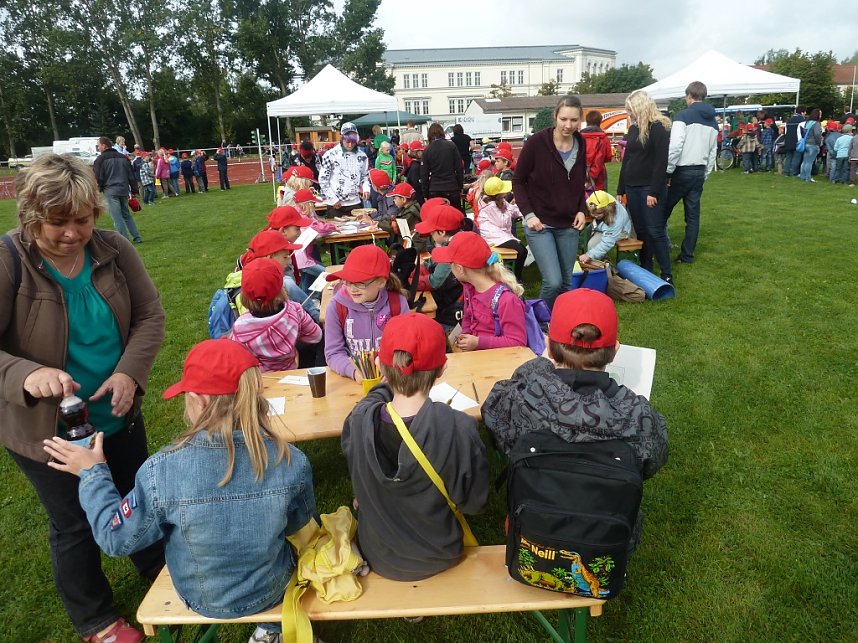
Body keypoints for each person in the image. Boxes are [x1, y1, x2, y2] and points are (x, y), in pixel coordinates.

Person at [43, 338, 317, 643]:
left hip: (200, 595)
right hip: (270, 588)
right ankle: (274, 630)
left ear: (197, 401)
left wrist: (92, 473)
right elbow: (299, 523)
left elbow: (114, 538)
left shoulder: (161, 471)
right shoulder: (291, 460)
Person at [1, 154, 166, 643]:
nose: (73, 233)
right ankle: (96, 619)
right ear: (31, 216)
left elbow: (150, 316)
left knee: (138, 497)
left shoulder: (113, 249)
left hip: (115, 413)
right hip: (46, 430)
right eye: (58, 223)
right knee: (74, 523)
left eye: (83, 219)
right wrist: (27, 375)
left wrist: (128, 375)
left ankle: (157, 566)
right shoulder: (9, 260)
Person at [481, 288, 668, 549]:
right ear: (615, 351)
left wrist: (540, 365)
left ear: (548, 345)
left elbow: (493, 419)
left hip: (534, 533)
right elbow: (652, 464)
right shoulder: (641, 417)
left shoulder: (517, 399)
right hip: (606, 540)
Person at [341, 313, 489, 581]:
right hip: (438, 552)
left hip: (378, 554)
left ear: (379, 367)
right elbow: (474, 504)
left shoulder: (358, 420)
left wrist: (385, 387)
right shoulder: (458, 427)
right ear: (442, 370)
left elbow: (371, 400)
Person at [512, 95, 588, 308]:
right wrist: (529, 215)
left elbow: (579, 183)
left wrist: (582, 210)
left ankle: (560, 323)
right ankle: (540, 321)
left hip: (569, 225)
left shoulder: (580, 143)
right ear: (555, 116)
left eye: (573, 120)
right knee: (553, 282)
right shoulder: (537, 143)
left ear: (580, 120)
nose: (568, 125)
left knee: (566, 283)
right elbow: (518, 181)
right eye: (564, 119)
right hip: (541, 224)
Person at [323, 245, 409, 382]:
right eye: (348, 282)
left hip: (393, 379)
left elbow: (406, 346)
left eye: (360, 283)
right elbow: (333, 352)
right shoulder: (336, 306)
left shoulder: (398, 303)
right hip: (353, 382)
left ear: (381, 282)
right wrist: (353, 372)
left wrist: (394, 368)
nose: (352, 289)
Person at [431, 231, 526, 352]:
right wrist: (465, 335)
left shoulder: (506, 300)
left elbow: (518, 342)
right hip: (476, 355)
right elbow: (467, 318)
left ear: (460, 269)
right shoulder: (469, 288)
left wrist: (478, 342)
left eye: (451, 264)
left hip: (499, 362)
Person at [616, 90, 673, 285]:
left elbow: (661, 162)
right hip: (632, 187)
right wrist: (620, 189)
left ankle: (666, 272)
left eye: (630, 110)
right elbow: (627, 160)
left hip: (649, 188)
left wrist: (654, 192)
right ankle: (646, 267)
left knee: (655, 230)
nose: (628, 114)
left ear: (639, 107)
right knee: (640, 230)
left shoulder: (659, 128)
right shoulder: (633, 129)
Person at [229, 258, 322, 372]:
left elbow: (237, 359)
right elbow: (316, 336)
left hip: (261, 381)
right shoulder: (294, 310)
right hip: (293, 372)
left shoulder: (240, 327)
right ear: (281, 287)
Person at [663, 81, 718, 265]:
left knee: (663, 211)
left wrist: (668, 170)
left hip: (681, 170)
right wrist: (706, 173)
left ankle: (657, 248)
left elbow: (676, 145)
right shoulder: (713, 122)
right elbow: (713, 151)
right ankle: (687, 255)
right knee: (693, 217)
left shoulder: (682, 116)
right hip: (699, 171)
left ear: (689, 96)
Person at [243, 227, 320, 325]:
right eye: (285, 257)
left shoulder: (248, 276)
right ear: (270, 257)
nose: (289, 261)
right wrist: (318, 317)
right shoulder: (285, 283)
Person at [414, 204, 466, 329]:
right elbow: (432, 263)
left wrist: (412, 280)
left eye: (432, 232)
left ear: (442, 232)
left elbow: (435, 281)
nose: (430, 235)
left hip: (451, 311)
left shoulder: (451, 249)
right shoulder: (458, 239)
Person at [92, 136, 143, 244]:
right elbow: (130, 175)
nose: (98, 147)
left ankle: (124, 240)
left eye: (98, 145)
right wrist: (134, 190)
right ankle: (137, 236)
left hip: (110, 190)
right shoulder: (123, 158)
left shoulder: (100, 160)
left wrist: (99, 188)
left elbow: (98, 176)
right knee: (126, 214)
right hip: (123, 189)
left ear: (103, 145)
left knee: (117, 216)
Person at [477, 176, 526, 280]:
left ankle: (515, 277)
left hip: (501, 234)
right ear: (498, 194)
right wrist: (509, 211)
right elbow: (502, 221)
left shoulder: (502, 202)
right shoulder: (490, 206)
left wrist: (524, 214)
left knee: (523, 251)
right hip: (493, 236)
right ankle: (514, 278)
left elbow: (513, 210)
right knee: (520, 251)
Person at [319, 122, 371, 217]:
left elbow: (365, 176)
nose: (350, 145)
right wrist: (333, 198)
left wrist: (366, 189)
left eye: (353, 141)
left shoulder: (362, 156)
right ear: (342, 138)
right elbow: (323, 179)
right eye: (347, 141)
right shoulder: (330, 155)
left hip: (355, 202)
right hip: (335, 204)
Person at [578, 190, 632, 265]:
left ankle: (597, 268)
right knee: (584, 234)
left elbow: (608, 242)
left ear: (607, 210)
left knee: (592, 245)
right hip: (602, 227)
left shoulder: (615, 219)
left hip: (621, 231)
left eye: (598, 214)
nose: (595, 216)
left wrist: (589, 255)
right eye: (592, 213)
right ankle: (602, 257)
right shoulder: (594, 200)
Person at [421, 122, 465, 212]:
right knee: (455, 218)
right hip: (451, 186)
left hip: (435, 188)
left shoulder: (427, 150)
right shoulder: (451, 146)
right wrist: (460, 186)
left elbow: (424, 175)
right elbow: (459, 168)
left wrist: (425, 194)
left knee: (437, 219)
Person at [580, 110, 614, 191]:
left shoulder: (578, 138)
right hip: (599, 176)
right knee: (601, 200)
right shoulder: (604, 138)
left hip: (581, 175)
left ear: (587, 121)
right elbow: (608, 157)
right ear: (600, 121)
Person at [799, 109, 823, 182]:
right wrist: (819, 142)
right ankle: (808, 178)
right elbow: (817, 134)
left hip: (806, 144)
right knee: (810, 162)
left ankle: (803, 176)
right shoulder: (816, 124)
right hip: (813, 144)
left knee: (805, 161)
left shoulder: (808, 123)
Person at [783, 106, 807, 177]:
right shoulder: (802, 120)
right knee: (796, 158)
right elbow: (803, 131)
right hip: (797, 141)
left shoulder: (789, 120)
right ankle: (795, 173)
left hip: (788, 141)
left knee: (788, 157)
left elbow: (785, 132)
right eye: (805, 112)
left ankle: (786, 172)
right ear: (802, 112)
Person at [405, 139, 425, 203]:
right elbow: (416, 184)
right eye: (421, 151)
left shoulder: (413, 164)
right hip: (417, 197)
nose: (422, 153)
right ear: (417, 152)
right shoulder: (416, 166)